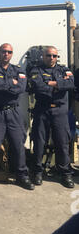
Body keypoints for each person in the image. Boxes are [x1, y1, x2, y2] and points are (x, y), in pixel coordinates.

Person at [0, 43, 34, 192]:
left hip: (13, 113)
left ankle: (22, 175)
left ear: (12, 54)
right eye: (4, 51)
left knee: (18, 145)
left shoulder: (18, 69)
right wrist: (11, 82)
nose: (6, 54)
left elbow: (21, 88)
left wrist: (4, 84)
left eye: (9, 52)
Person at [29, 46, 75, 188]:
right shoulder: (36, 70)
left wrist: (51, 83)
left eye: (54, 56)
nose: (51, 58)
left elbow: (71, 84)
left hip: (60, 112)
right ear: (43, 56)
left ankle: (65, 173)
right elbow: (37, 87)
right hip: (42, 111)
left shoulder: (63, 69)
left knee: (62, 143)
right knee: (39, 142)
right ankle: (37, 171)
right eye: (48, 55)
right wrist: (59, 86)